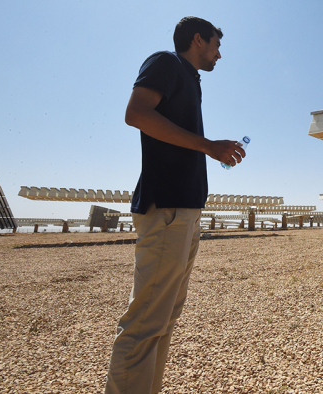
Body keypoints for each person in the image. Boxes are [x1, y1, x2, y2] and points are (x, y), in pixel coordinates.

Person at [105, 16, 245, 394]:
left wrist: (209, 149)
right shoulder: (165, 62)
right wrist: (207, 145)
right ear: (198, 40)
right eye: (216, 44)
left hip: (183, 210)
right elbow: (135, 114)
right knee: (147, 320)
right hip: (166, 208)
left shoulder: (189, 77)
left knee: (164, 317)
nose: (220, 53)